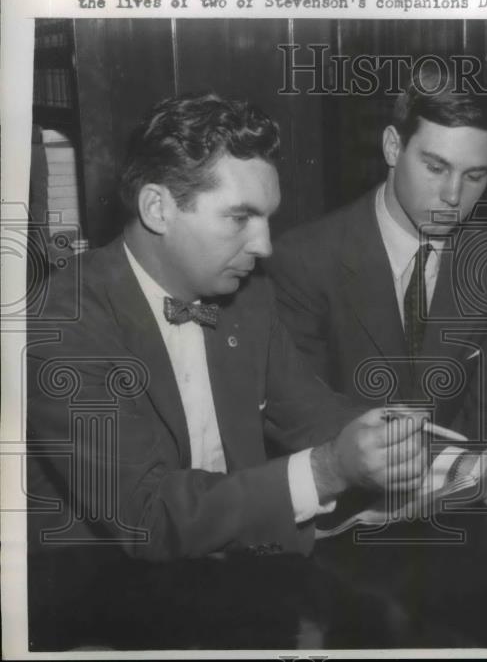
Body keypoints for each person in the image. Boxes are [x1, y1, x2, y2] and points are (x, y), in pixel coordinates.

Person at [26, 93, 428, 562]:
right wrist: (325, 471)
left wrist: (408, 445)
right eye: (240, 218)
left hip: (235, 570)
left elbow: (308, 410)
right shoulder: (60, 320)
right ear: (158, 208)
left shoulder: (248, 297)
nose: (264, 247)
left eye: (266, 220)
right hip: (103, 594)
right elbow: (146, 517)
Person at [268, 62, 487, 507]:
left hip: (458, 512)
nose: (453, 197)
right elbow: (298, 419)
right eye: (436, 167)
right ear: (391, 146)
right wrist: (461, 468)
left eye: (475, 175)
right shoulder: (304, 261)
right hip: (342, 517)